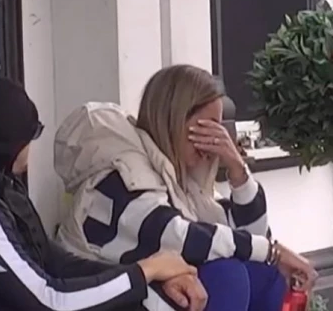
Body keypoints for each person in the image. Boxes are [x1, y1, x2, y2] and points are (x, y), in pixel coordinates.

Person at [0, 72, 207, 311]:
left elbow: (51, 260)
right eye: (31, 133)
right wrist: (146, 271)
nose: (32, 145)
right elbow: (48, 300)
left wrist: (149, 278)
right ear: (6, 139)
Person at [54, 64, 317, 311]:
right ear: (175, 119)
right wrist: (272, 251)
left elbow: (251, 240)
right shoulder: (121, 175)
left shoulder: (179, 178)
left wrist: (238, 170)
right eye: (208, 125)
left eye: (220, 127)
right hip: (102, 301)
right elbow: (179, 237)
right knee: (226, 277)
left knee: (266, 273)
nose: (217, 137)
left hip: (145, 297)